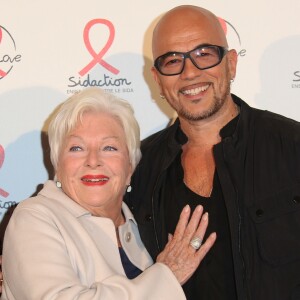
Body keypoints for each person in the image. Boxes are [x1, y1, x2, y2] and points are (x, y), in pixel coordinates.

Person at [125, 5, 300, 300]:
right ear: (157, 79)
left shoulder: (292, 147)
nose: (190, 73)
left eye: (204, 54)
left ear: (231, 63)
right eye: (172, 61)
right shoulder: (138, 167)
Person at [0, 87, 216, 299]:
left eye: (109, 148)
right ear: (58, 164)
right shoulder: (33, 218)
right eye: (77, 148)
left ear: (130, 167)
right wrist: (167, 275)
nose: (93, 161)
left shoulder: (144, 226)